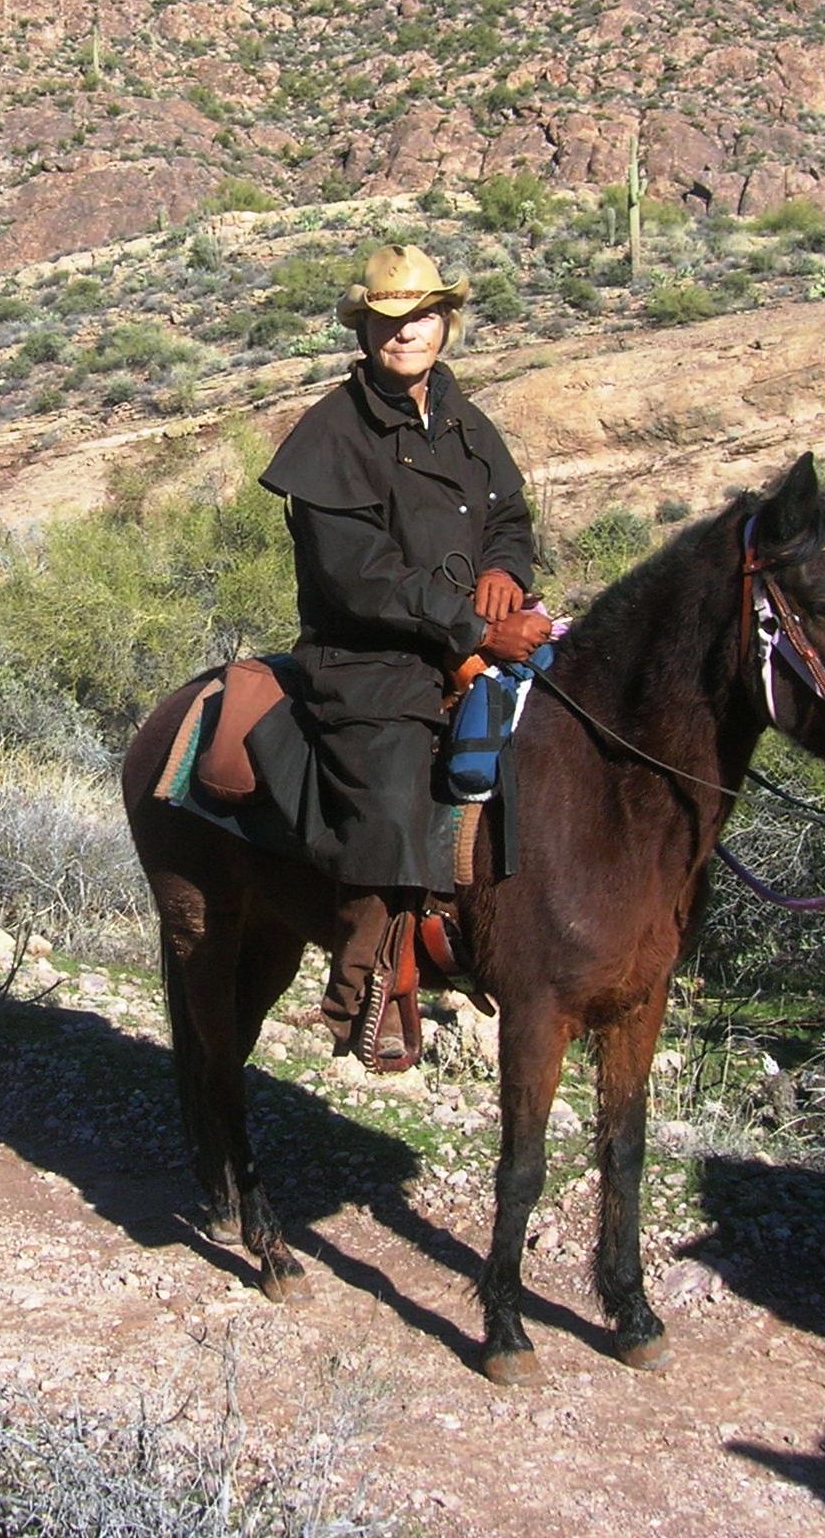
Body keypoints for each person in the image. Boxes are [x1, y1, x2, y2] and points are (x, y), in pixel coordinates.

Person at [259, 243, 552, 1068]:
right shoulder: (330, 434)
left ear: (445, 321)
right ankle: (367, 987)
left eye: (421, 315)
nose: (406, 332)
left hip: (468, 629)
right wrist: (473, 629)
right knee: (389, 787)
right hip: (369, 658)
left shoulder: (460, 414)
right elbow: (359, 578)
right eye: (388, 319)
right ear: (363, 331)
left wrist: (504, 574)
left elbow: (508, 513)